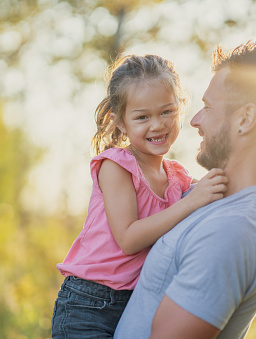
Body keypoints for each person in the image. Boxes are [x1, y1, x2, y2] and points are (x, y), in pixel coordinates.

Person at [114, 40, 256, 339]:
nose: (194, 120)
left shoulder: (232, 231)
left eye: (207, 107)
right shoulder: (212, 202)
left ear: (245, 119)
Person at [51, 54, 228, 338]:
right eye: (142, 117)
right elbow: (129, 238)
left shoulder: (177, 177)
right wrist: (194, 201)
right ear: (121, 122)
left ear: (181, 109)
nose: (157, 125)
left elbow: (207, 197)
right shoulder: (117, 166)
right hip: (88, 305)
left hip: (133, 303)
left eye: (167, 112)